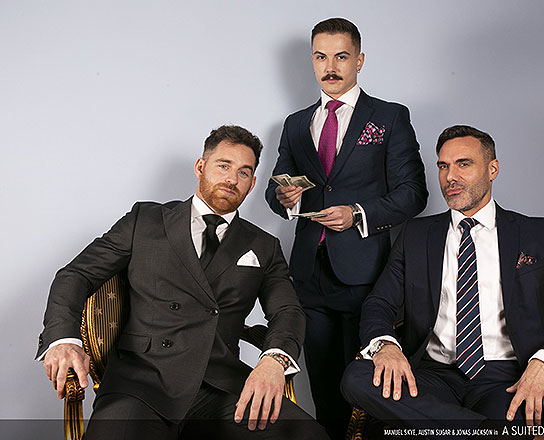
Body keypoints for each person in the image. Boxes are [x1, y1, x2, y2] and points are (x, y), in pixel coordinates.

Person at [36, 125, 328, 440]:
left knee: (308, 435)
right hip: (141, 383)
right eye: (224, 166)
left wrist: (274, 360)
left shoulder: (264, 245)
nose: (232, 179)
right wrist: (63, 339)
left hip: (221, 386)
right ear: (200, 167)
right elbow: (76, 274)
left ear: (253, 183)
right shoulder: (145, 220)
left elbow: (287, 311)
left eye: (244, 173)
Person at [340, 125, 544, 438]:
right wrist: (386, 346)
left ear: (492, 170)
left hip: (507, 377)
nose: (450, 177)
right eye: (443, 166)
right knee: (356, 377)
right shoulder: (416, 235)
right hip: (432, 375)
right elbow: (379, 303)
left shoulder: (536, 234)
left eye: (463, 164)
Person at [265, 17, 428, 438]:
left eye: (341, 56)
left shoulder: (389, 116)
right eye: (321, 57)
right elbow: (274, 191)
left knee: (369, 386)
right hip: (308, 273)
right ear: (312, 61)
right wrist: (286, 198)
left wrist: (357, 213)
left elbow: (414, 193)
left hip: (366, 274)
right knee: (323, 386)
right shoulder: (296, 123)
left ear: (359, 60)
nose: (330, 67)